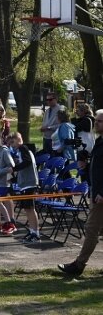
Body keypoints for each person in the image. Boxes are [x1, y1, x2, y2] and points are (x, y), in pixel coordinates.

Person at [59, 110, 103, 276]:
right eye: (97, 120)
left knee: (91, 229)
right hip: (95, 193)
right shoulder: (99, 141)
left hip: (101, 196)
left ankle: (78, 265)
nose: (96, 124)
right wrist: (84, 164)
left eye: (99, 121)